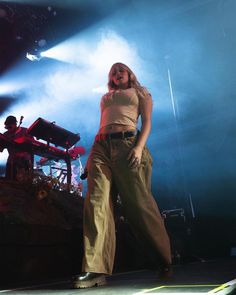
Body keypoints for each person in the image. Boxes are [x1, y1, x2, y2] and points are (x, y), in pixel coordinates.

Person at [73, 62, 172, 288]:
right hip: (100, 148)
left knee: (139, 205)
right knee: (96, 204)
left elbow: (147, 123)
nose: (117, 74)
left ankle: (163, 259)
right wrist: (89, 158)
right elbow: (102, 125)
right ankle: (94, 269)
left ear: (129, 74)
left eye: (121, 71)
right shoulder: (106, 97)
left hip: (128, 146)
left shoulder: (141, 93)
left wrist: (138, 148)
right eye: (113, 72)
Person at [0, 115, 33, 181]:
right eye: (7, 127)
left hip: (24, 162)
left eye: (10, 127)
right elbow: (1, 148)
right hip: (11, 162)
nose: (8, 129)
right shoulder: (6, 134)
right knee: (9, 182)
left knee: (22, 184)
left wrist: (24, 154)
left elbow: (33, 147)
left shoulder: (25, 131)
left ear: (15, 124)